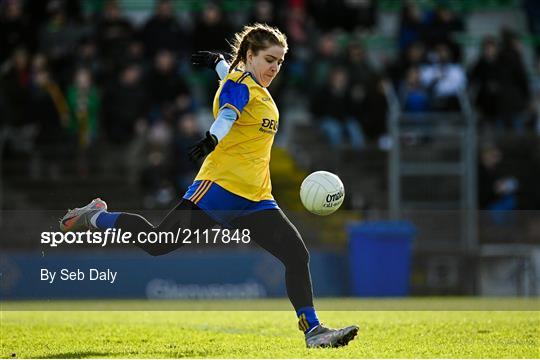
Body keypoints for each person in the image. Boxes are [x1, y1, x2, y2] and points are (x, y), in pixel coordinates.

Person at [59, 23, 358, 348]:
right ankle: (95, 216)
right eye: (270, 59)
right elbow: (229, 112)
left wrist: (217, 61)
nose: (275, 67)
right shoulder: (239, 86)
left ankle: (313, 330)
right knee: (157, 243)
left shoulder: (250, 85)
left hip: (256, 198)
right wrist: (212, 138)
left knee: (297, 254)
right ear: (250, 55)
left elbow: (229, 77)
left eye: (280, 62)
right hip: (218, 190)